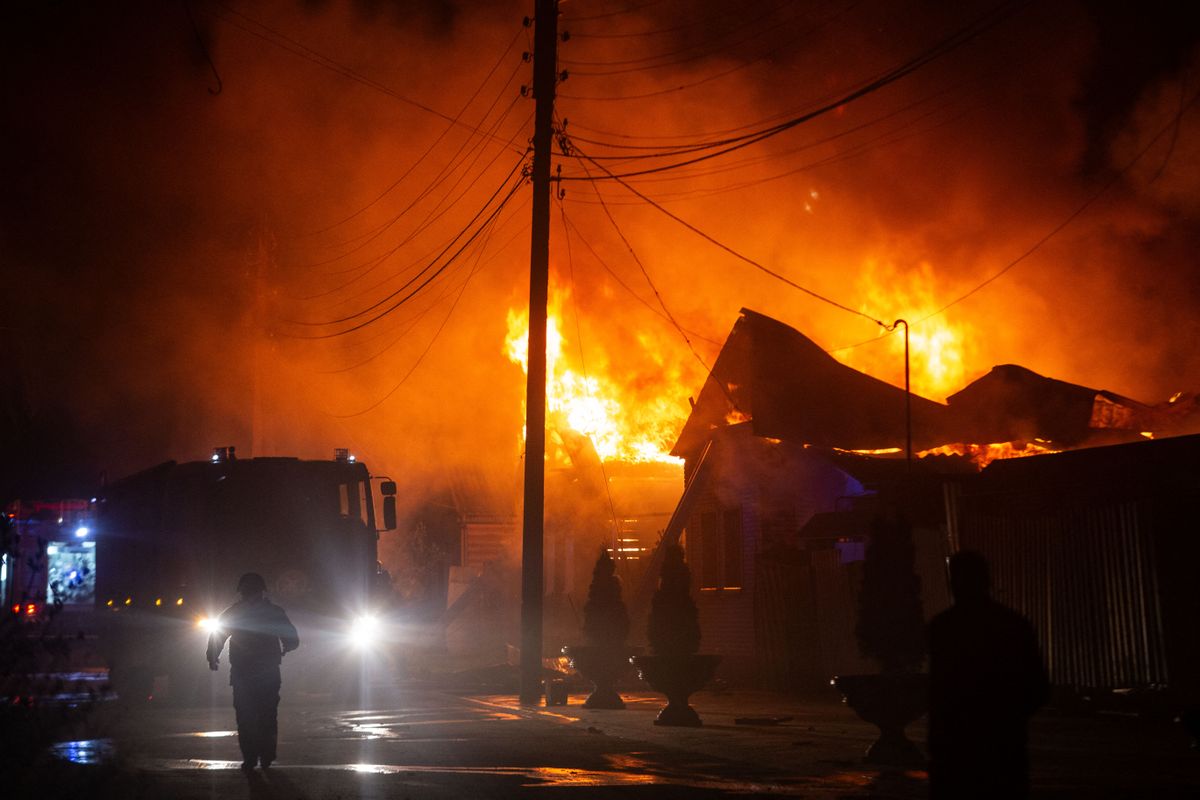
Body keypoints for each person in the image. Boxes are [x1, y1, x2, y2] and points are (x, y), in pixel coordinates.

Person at [928, 551, 1049, 800]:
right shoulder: (1013, 625)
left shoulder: (943, 628)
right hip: (1002, 744)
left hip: (955, 746)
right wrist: (1010, 718)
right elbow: (1038, 687)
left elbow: (937, 689)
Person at [206, 572, 299, 771]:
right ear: (261, 590)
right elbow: (291, 636)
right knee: (266, 715)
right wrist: (288, 646)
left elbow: (218, 636)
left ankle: (251, 758)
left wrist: (213, 657)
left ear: (242, 591)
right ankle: (265, 756)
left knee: (246, 716)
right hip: (266, 672)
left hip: (243, 672)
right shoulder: (273, 611)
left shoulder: (234, 612)